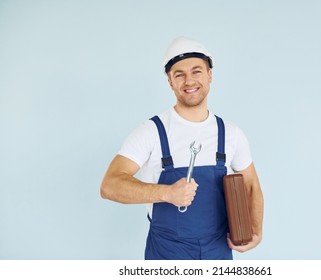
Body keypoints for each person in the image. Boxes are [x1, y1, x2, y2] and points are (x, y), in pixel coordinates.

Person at [100, 37, 264, 260]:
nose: (189, 81)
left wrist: (255, 229)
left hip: (217, 252)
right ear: (170, 81)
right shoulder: (152, 131)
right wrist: (167, 193)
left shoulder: (230, 133)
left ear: (210, 75)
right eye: (179, 74)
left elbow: (251, 183)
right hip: (167, 254)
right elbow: (110, 185)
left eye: (196, 71)